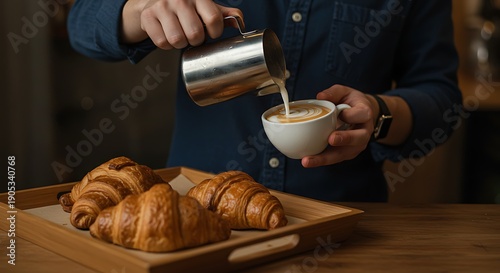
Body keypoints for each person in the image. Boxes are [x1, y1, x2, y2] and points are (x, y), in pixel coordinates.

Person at [66, 0, 462, 202]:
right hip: (197, 213)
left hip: (342, 224)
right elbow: (81, 25)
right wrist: (138, 11)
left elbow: (441, 102)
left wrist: (379, 115)